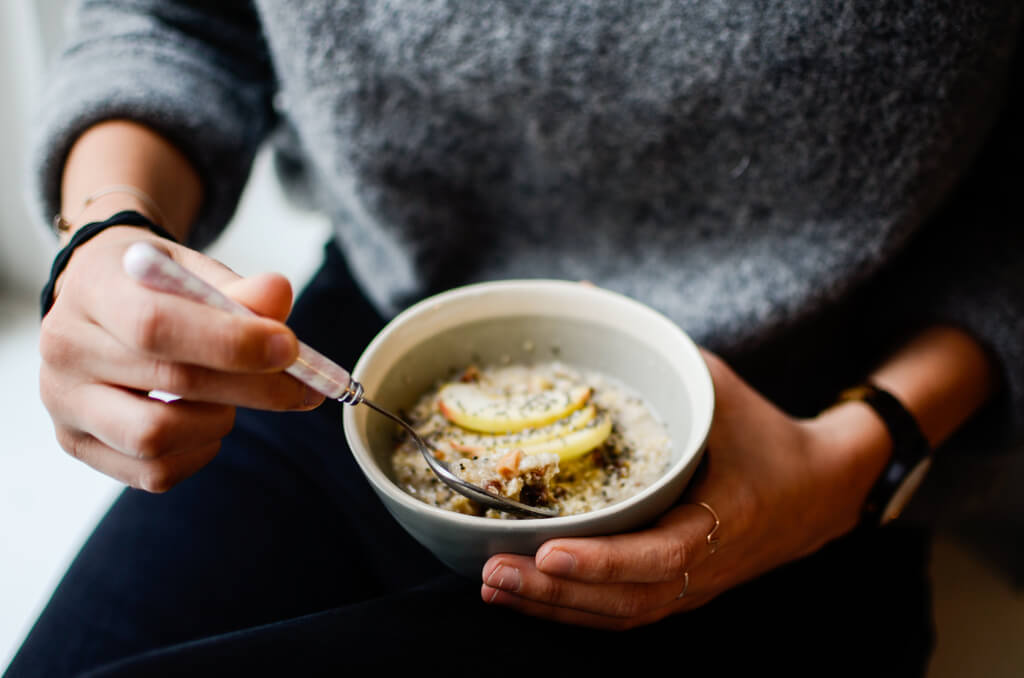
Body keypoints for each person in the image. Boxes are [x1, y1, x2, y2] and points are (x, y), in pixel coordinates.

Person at [6, 1, 1023, 675]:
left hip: (806, 445)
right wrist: (107, 229)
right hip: (352, 358)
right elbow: (179, 17)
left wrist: (867, 448)